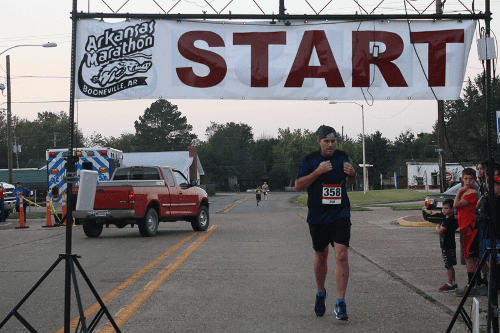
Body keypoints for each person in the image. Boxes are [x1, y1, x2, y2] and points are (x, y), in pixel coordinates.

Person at [295, 125, 356, 321]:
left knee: (342, 256)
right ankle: (321, 293)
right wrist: (317, 172)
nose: (331, 145)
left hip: (340, 213)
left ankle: (341, 304)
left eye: (333, 141)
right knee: (321, 256)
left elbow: (351, 180)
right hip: (318, 215)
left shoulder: (342, 156)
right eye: (327, 141)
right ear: (319, 141)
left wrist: (353, 173)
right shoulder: (310, 160)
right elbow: (298, 186)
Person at [454, 168, 481, 296]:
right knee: (469, 257)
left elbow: (456, 206)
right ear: (462, 179)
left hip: (469, 227)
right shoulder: (467, 192)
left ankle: (471, 285)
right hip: (465, 226)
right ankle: (475, 283)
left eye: (470, 179)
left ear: (474, 179)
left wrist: (459, 192)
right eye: (465, 179)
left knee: (469, 258)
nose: (468, 181)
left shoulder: (472, 193)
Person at [433, 199, 459, 291]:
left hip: (447, 245)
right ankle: (452, 282)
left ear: (452, 209)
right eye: (442, 208)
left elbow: (440, 231)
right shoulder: (448, 219)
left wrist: (437, 227)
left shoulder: (448, 221)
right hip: (449, 244)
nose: (443, 210)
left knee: (448, 265)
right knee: (450, 265)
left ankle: (450, 283)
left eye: (446, 208)